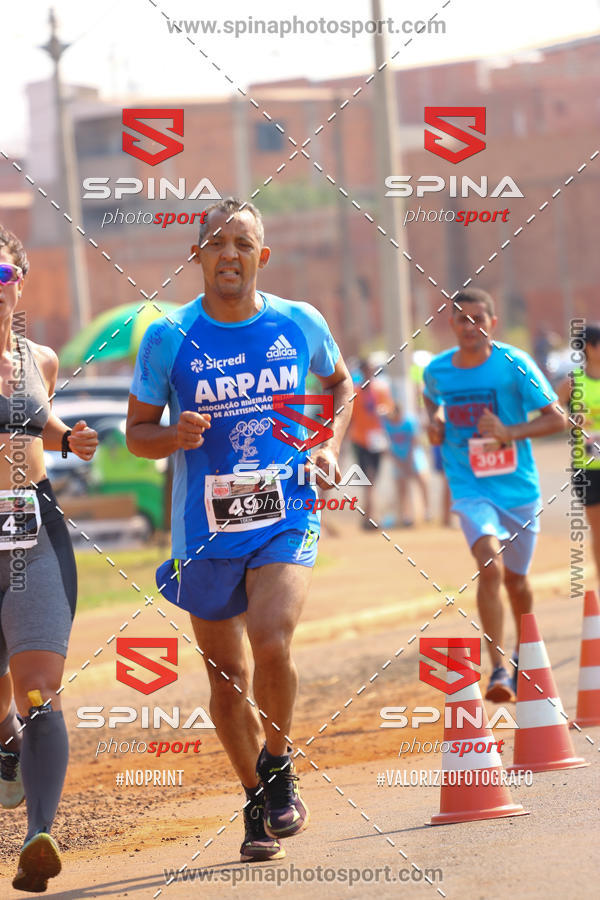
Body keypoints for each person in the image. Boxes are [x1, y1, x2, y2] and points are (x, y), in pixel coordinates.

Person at [126, 198, 353, 862]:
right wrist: (175, 433)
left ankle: (278, 763)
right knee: (228, 675)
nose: (230, 253)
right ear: (196, 254)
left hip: (285, 508)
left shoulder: (299, 322)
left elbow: (342, 387)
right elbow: (137, 434)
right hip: (204, 528)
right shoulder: (168, 337)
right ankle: (257, 801)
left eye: (243, 242)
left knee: (272, 639)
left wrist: (329, 444)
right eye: (217, 242)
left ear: (264, 255)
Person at [0, 226, 98, 891]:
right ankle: (5, 741)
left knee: (40, 687)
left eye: (2, 276)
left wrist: (74, 439)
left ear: (20, 284)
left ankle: (40, 835)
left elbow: (39, 425)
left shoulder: (43, 358)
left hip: (28, 525)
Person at [423, 288, 565, 702]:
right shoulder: (437, 370)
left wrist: (509, 432)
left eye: (478, 318)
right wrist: (435, 420)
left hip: (518, 490)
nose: (470, 326)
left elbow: (556, 420)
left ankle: (524, 655)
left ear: (493, 322)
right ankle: (499, 670)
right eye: (462, 319)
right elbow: (432, 398)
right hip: (469, 486)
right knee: (490, 566)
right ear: (451, 325)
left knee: (518, 581)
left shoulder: (515, 364)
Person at [558, 323, 600, 587]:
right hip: (587, 467)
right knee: (598, 530)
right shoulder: (572, 382)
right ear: (590, 348)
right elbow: (550, 415)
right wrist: (572, 419)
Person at [348, 358, 392, 528]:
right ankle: (371, 517)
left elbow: (390, 409)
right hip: (360, 439)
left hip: (377, 439)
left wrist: (386, 412)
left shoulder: (380, 390)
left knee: (373, 479)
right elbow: (350, 417)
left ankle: (367, 516)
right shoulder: (355, 392)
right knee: (368, 478)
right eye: (366, 370)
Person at [382, 402, 430, 526]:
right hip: (398, 457)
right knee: (401, 486)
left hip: (413, 455)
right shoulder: (386, 424)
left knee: (422, 480)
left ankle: (426, 511)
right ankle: (406, 516)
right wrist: (399, 461)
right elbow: (386, 445)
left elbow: (415, 441)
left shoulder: (409, 422)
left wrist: (408, 460)